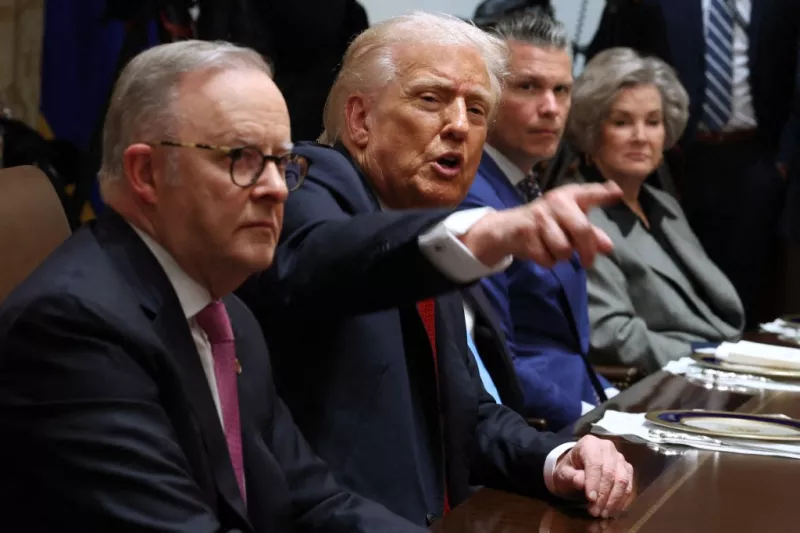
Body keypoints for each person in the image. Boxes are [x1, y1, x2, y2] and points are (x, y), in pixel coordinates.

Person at [0, 40, 427, 532]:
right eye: (242, 158)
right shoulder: (75, 327)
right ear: (146, 173)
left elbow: (314, 501)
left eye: (282, 163)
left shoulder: (227, 314)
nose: (276, 188)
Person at [238, 12, 634, 526]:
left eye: (476, 109)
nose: (460, 126)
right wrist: (476, 236)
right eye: (431, 99)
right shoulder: (309, 188)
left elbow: (465, 415)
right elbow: (323, 256)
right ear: (360, 120)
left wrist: (558, 459)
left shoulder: (425, 225)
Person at [587, 0, 800, 327]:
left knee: (751, 286)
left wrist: (784, 159)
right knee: (674, 276)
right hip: (676, 160)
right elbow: (611, 62)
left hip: (756, 156)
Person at [460, 9, 618, 432]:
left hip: (583, 407)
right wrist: (598, 419)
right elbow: (497, 359)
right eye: (527, 87)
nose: (551, 108)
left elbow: (568, 347)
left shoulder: (523, 184)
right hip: (542, 429)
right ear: (485, 94)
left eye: (562, 90)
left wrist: (616, 404)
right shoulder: (470, 194)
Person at [566, 47, 744, 374]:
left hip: (719, 361)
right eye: (621, 122)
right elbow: (612, 334)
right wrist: (713, 358)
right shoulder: (580, 213)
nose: (640, 137)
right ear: (592, 131)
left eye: (653, 122)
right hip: (667, 380)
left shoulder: (664, 204)